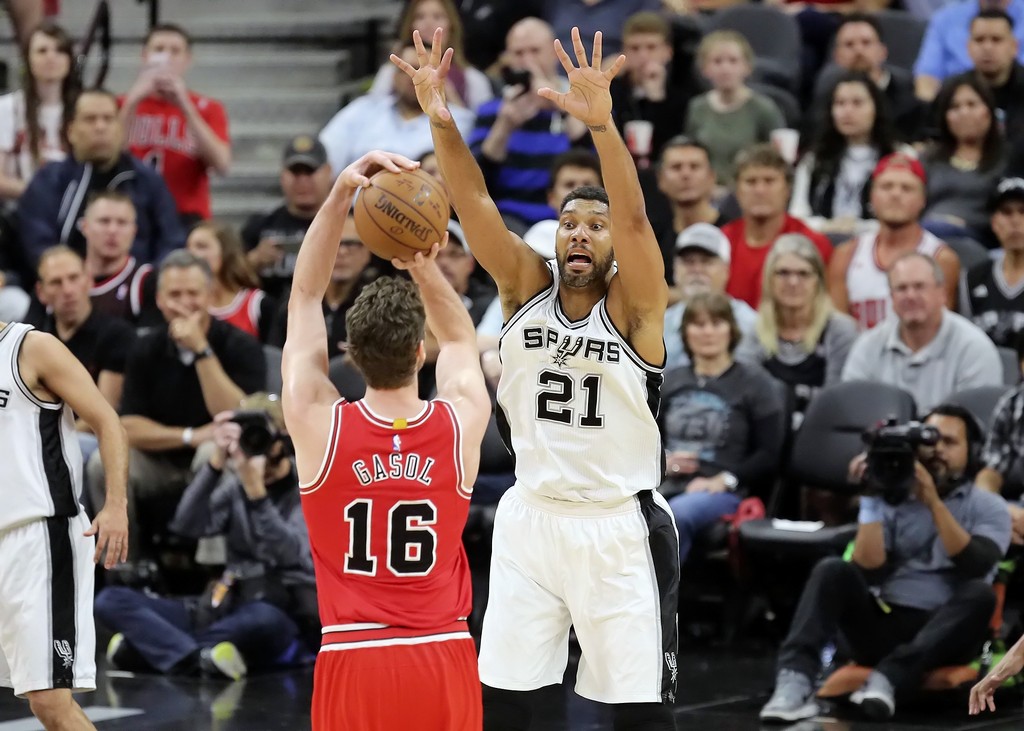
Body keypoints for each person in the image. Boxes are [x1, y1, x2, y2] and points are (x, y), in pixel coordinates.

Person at [394, 26, 680, 730]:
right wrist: (440, 117)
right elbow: (473, 201)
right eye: (569, 222)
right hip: (531, 517)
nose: (579, 232)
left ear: (614, 249)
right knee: (510, 703)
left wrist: (604, 129)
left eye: (595, 225)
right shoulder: (525, 285)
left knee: (638, 714)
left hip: (620, 525)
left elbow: (639, 222)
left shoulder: (638, 306)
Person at [281, 149, 491, 730]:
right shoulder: (457, 424)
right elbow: (460, 339)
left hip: (353, 655)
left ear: (349, 353)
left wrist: (339, 195)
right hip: (442, 652)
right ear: (418, 353)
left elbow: (303, 295)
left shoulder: (319, 423)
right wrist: (423, 262)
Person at [760, 405, 1011, 723]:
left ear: (972, 451)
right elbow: (869, 568)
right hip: (889, 622)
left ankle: (889, 677)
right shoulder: (893, 496)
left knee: (980, 593)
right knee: (833, 569)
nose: (938, 451)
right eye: (931, 442)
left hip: (948, 632)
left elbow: (974, 564)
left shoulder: (989, 506)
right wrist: (871, 495)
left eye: (950, 442)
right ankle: (793, 683)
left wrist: (933, 501)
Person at [96, 393, 317, 680]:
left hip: (279, 608)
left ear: (282, 440)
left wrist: (258, 496)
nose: (254, 445)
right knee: (110, 600)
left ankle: (154, 649)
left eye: (260, 436)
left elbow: (289, 554)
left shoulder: (307, 485)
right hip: (223, 604)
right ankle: (196, 657)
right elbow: (187, 525)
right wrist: (214, 465)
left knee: (265, 622)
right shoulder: (235, 485)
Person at [86, 250, 267, 562]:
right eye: (174, 294)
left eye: (193, 294)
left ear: (210, 295)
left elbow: (240, 416)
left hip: (217, 457)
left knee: (214, 451)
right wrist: (190, 436)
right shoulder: (144, 347)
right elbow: (128, 425)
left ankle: (218, 572)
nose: (184, 302)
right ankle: (122, 567)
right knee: (101, 464)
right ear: (158, 300)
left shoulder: (242, 346)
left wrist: (201, 350)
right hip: (160, 462)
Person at [0, 318, 129, 728]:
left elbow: (108, 421)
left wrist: (115, 504)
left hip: (39, 536)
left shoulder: (32, 347)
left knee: (49, 700)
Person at [662, 292, 785, 566]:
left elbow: (769, 454)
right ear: (685, 332)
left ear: (731, 329)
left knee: (672, 516)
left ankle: (659, 606)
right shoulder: (669, 381)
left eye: (717, 323)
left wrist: (725, 480)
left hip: (722, 490)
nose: (707, 332)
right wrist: (664, 462)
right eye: (698, 324)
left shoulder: (755, 383)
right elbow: (643, 440)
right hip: (665, 480)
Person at [17, 89, 184, 280]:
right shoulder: (49, 180)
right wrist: (71, 277)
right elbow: (38, 245)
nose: (100, 127)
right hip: (67, 290)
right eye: (90, 119)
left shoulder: (147, 180)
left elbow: (171, 241)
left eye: (108, 119)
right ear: (71, 132)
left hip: (137, 289)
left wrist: (148, 282)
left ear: (120, 130)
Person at [469, 17, 590, 231]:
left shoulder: (583, 105)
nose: (528, 61)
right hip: (508, 220)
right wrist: (504, 127)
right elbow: (473, 183)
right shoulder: (491, 111)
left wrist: (561, 106)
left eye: (535, 51)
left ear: (555, 54)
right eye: (519, 53)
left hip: (570, 217)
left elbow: (597, 166)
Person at [841, 252, 1002, 411]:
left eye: (920, 286)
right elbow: (852, 411)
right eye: (901, 288)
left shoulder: (974, 349)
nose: (910, 296)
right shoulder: (867, 347)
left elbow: (976, 424)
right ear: (891, 297)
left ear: (942, 293)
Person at [828, 152, 960, 330]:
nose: (895, 194)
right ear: (871, 197)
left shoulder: (941, 259)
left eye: (907, 188)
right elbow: (839, 334)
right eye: (886, 186)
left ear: (923, 200)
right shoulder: (845, 256)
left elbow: (939, 333)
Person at [119, 23, 231, 224]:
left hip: (186, 216)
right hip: (132, 214)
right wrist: (134, 99)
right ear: (144, 56)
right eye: (159, 50)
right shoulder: (121, 104)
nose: (167, 58)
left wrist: (185, 106)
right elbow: (111, 151)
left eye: (175, 51)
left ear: (187, 60)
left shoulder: (208, 108)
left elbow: (222, 164)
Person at [744, 234, 858, 429]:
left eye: (804, 274)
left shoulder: (839, 330)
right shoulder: (754, 329)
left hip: (822, 434)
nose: (793, 282)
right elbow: (747, 395)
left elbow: (836, 401)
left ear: (818, 281)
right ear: (769, 279)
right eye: (783, 273)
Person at [319, 38, 474, 177]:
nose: (415, 78)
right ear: (393, 76)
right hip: (356, 205)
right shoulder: (362, 110)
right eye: (407, 70)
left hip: (424, 206)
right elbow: (323, 161)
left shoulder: (460, 121)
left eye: (423, 71)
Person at [790, 72, 906, 238]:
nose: (847, 111)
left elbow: (907, 218)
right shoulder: (814, 159)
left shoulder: (899, 157)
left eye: (857, 103)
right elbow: (797, 216)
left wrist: (858, 227)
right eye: (840, 103)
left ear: (876, 108)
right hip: (823, 241)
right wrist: (827, 226)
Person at [722, 144, 833, 308]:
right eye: (751, 182)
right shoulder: (721, 242)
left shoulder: (813, 244)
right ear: (737, 191)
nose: (760, 190)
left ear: (787, 189)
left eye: (769, 181)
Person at [684, 31, 784, 184]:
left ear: (747, 66)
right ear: (704, 69)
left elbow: (777, 160)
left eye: (733, 61)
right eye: (717, 61)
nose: (725, 68)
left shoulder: (764, 109)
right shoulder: (697, 107)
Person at [241, 135, 333, 300]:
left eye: (310, 172)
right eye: (295, 172)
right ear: (283, 175)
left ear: (328, 172)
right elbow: (230, 282)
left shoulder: (350, 223)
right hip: (272, 316)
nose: (303, 180)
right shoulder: (261, 225)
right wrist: (255, 261)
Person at [809, 14, 922, 143]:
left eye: (866, 42)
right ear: (837, 56)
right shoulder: (827, 97)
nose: (858, 50)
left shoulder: (907, 95)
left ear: (882, 52)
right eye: (849, 44)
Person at [921, 75, 1006, 243]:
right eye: (954, 107)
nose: (964, 113)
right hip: (926, 235)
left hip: (980, 240)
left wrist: (963, 223)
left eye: (972, 105)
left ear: (988, 111)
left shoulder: (1007, 159)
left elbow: (1011, 212)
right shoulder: (928, 158)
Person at [0, 20, 77, 202]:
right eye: (42, 51)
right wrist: (41, 192)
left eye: (60, 50)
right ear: (28, 59)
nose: (51, 57)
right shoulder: (7, 107)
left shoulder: (82, 108)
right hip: (20, 213)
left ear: (69, 60)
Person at [369, 0, 493, 110]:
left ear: (451, 26)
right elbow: (370, 113)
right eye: (420, 17)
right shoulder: (391, 73)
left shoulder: (473, 79)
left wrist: (448, 93)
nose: (428, 24)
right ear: (410, 26)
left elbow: (481, 127)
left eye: (437, 17)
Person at [664, 222, 757, 369]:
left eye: (706, 262)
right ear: (675, 269)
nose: (696, 270)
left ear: (726, 269)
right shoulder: (660, 327)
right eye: (689, 262)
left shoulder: (751, 325)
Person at [913, 0, 1024, 102]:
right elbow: (926, 79)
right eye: (979, 40)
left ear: (1014, 46)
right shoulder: (945, 18)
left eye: (996, 40)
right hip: (957, 106)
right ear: (968, 46)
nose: (987, 48)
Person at [81, 192, 159, 328]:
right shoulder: (60, 279)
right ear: (85, 227)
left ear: (134, 231)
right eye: (104, 221)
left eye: (122, 223)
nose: (112, 230)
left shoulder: (146, 281)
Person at [961, 177, 1024, 347]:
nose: (1015, 221)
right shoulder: (972, 279)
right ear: (994, 223)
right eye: (1006, 212)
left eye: (1022, 211)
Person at [186, 221, 274, 341]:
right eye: (188, 247)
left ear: (226, 252)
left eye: (201, 246)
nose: (191, 254)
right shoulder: (184, 305)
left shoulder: (257, 305)